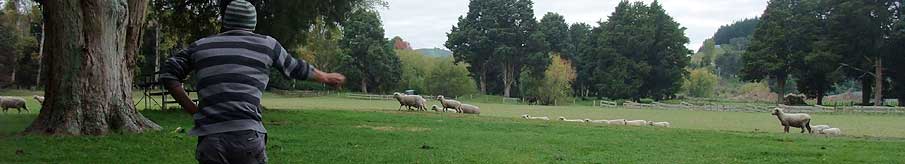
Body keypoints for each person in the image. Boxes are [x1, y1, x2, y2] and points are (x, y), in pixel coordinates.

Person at [158, 0, 346, 163]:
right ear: (253, 23)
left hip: (210, 139)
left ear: (225, 21)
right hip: (247, 137)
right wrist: (327, 77)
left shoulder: (200, 46)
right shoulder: (267, 45)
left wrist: (194, 110)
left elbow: (168, 74)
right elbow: (295, 67)